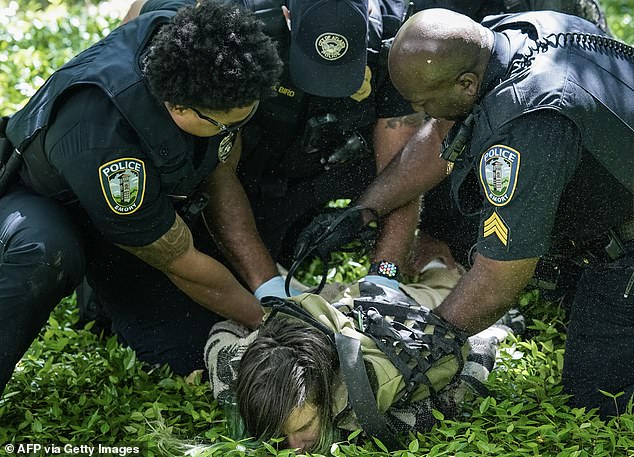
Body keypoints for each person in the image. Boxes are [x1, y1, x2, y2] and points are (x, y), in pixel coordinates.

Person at [307, 8, 633, 417]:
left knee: (595, 400)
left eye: (424, 102)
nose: (419, 110)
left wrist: (422, 344)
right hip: (607, 184)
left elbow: (499, 280)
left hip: (624, 243)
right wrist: (364, 210)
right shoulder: (502, 40)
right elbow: (440, 135)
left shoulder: (530, 120)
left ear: (465, 84)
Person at [0, 0, 283, 395]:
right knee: (48, 256)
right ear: (179, 107)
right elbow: (178, 259)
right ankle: (92, 290)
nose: (235, 130)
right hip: (51, 203)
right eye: (226, 123)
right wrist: (270, 321)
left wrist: (272, 292)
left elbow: (218, 169)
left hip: (159, 198)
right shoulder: (105, 140)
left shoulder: (195, 34)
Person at [204, 265, 525, 453]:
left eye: (304, 427)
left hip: (398, 315)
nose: (294, 446)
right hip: (333, 303)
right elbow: (220, 330)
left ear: (326, 398)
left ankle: (434, 262)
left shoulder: (384, 412)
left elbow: (479, 346)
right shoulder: (232, 372)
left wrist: (499, 329)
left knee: (446, 277)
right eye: (281, 434)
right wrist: (256, 330)